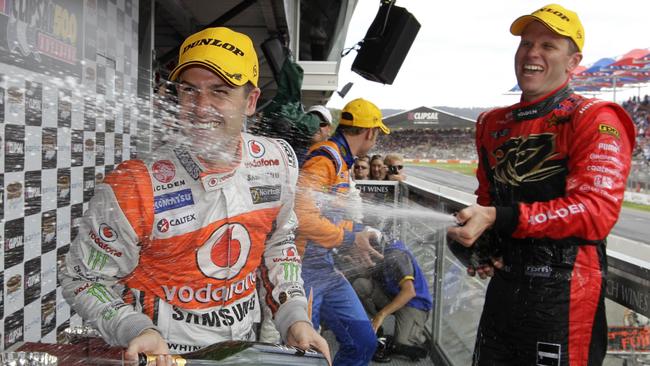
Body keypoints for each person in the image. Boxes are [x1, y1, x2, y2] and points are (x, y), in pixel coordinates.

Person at [62, 27, 330, 365]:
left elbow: (278, 245)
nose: (201, 107)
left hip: (243, 351)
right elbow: (82, 278)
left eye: (220, 91)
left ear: (250, 101)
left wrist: (294, 316)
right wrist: (133, 328)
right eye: (190, 90)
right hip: (161, 356)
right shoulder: (135, 183)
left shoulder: (278, 161)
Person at [447, 4, 635, 365]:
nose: (532, 53)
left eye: (548, 46)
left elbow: (596, 212)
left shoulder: (594, 117)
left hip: (566, 298)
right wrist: (479, 243)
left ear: (573, 61)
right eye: (526, 43)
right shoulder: (491, 123)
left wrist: (498, 218)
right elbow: (488, 200)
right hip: (504, 292)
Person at [295, 98, 390, 365]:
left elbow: (328, 218)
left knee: (364, 341)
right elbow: (302, 216)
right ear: (370, 132)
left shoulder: (340, 160)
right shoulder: (325, 158)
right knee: (307, 355)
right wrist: (349, 238)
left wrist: (358, 234)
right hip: (304, 271)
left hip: (324, 266)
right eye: (377, 134)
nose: (376, 141)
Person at [353, 238, 432, 363]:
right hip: (393, 296)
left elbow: (409, 292)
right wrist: (359, 266)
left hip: (414, 303)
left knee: (404, 344)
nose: (360, 255)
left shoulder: (396, 256)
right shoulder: (379, 255)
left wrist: (381, 314)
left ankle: (414, 337)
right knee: (360, 285)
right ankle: (376, 331)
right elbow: (370, 278)